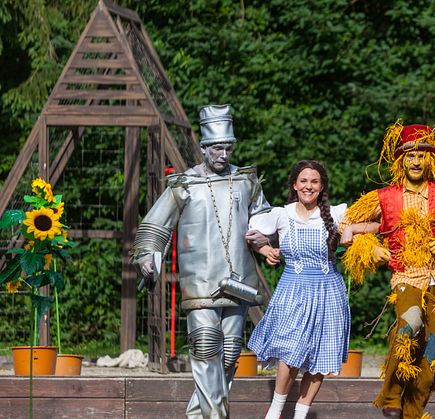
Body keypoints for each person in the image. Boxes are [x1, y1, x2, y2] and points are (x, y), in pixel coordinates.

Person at [132, 104, 271, 419]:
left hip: (238, 279)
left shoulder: (247, 181)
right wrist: (148, 258)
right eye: (218, 148)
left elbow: (264, 216)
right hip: (200, 280)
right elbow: (156, 224)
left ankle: (199, 415)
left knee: (230, 353)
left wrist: (266, 237)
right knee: (206, 345)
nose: (224, 154)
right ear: (205, 148)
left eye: (228, 147)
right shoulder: (185, 184)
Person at [340, 120, 435, 419]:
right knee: (409, 326)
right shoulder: (384, 197)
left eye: (421, 155)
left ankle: (412, 412)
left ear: (429, 159)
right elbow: (346, 225)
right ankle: (391, 396)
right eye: (410, 155)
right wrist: (372, 248)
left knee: (431, 356)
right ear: (401, 161)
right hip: (407, 276)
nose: (416, 161)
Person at [246, 160, 377, 419]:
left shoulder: (337, 214)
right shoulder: (281, 215)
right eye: (303, 181)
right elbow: (251, 233)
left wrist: (351, 228)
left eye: (314, 182)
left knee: (322, 354)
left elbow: (377, 223)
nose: (309, 186)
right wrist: (265, 249)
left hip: (329, 290)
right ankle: (275, 411)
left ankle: (301, 414)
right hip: (293, 290)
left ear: (322, 186)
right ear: (294, 185)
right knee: (289, 350)